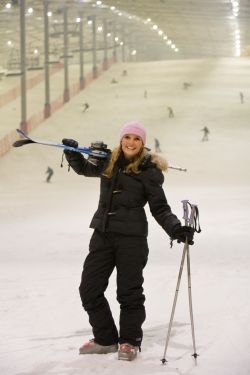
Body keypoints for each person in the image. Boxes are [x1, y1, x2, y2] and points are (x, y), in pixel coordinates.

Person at [62, 121, 194, 361]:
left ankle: (129, 342)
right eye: (127, 137)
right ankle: (106, 339)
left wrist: (176, 228)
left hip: (132, 239)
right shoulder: (108, 161)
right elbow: (86, 170)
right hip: (102, 234)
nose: (130, 142)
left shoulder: (148, 171)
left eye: (136, 138)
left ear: (142, 143)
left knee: (129, 293)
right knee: (89, 289)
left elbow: (160, 208)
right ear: (121, 139)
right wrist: (72, 153)